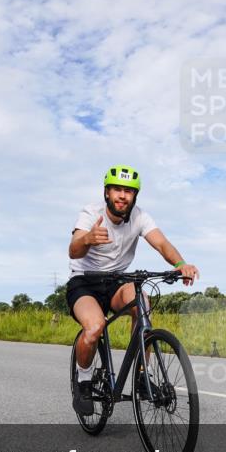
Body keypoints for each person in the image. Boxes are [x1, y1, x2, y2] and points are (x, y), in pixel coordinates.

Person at [67, 165, 199, 415]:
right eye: (117, 189)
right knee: (94, 328)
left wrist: (180, 264)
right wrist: (87, 239)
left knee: (143, 304)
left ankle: (142, 375)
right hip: (84, 281)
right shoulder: (91, 213)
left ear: (134, 195)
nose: (122, 196)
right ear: (107, 192)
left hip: (117, 281)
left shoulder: (140, 217)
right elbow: (73, 250)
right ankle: (83, 381)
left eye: (128, 191)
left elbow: (161, 243)